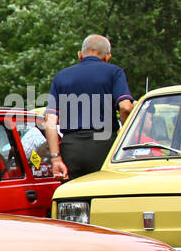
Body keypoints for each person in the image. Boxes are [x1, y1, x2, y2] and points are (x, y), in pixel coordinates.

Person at [44, 34, 134, 181]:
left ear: (80, 55)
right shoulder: (114, 72)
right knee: (105, 197)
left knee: (72, 200)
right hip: (104, 146)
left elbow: (50, 120)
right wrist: (125, 139)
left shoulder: (61, 76)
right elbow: (125, 107)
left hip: (71, 148)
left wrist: (56, 159)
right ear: (107, 57)